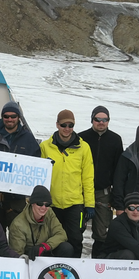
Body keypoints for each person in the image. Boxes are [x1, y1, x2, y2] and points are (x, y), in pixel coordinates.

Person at [40, 109, 94, 258]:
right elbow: (40, 177)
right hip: (52, 204)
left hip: (75, 204)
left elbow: (88, 178)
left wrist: (90, 204)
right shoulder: (45, 147)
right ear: (57, 124)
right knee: (52, 240)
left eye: (71, 125)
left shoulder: (84, 148)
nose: (67, 129)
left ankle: (73, 275)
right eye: (64, 125)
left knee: (75, 239)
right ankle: (52, 273)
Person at [0, 101, 40, 228]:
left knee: (18, 237)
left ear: (19, 118)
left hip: (17, 199)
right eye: (6, 116)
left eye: (13, 116)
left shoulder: (28, 139)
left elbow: (36, 163)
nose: (10, 119)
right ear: (2, 117)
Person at [79, 105, 123, 258]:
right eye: (98, 119)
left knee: (102, 233)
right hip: (81, 191)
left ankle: (97, 265)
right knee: (76, 230)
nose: (101, 122)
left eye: (105, 120)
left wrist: (117, 198)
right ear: (92, 120)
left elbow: (119, 170)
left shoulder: (115, 140)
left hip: (103, 193)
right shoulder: (81, 138)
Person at [8, 185, 75, 260]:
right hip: (29, 258)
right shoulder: (18, 224)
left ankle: (57, 270)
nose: (43, 207)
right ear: (32, 203)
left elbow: (61, 234)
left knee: (66, 248)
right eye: (40, 203)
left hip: (45, 251)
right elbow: (17, 254)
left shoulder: (49, 213)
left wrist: (45, 246)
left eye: (47, 204)